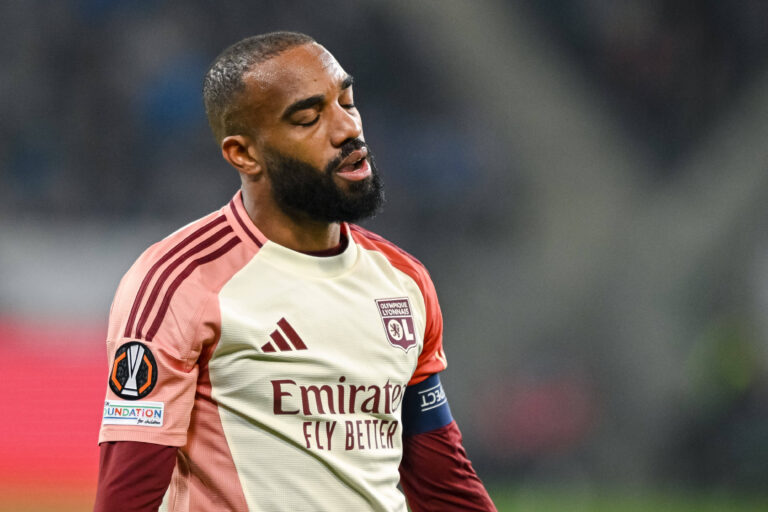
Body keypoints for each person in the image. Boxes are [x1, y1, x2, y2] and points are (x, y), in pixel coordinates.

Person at [94, 31, 496, 512]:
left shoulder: (403, 281)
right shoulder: (179, 282)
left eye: (347, 101)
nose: (347, 128)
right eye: (309, 118)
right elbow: (126, 497)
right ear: (244, 154)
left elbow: (443, 482)